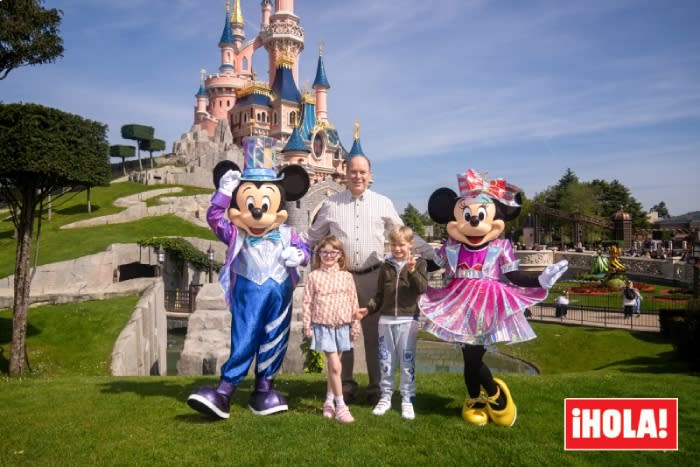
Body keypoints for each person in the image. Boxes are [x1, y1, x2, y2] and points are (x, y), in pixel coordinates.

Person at [303, 153, 436, 406]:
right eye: (353, 171)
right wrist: (286, 247)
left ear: (370, 175)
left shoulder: (382, 202)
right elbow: (311, 236)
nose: (358, 176)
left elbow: (404, 235)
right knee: (343, 332)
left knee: (375, 335)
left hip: (374, 277)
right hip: (341, 280)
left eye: (363, 172)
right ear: (345, 173)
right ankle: (346, 385)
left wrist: (433, 253)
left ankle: (376, 387)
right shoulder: (331, 205)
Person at [358, 225, 428, 420]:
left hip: (408, 319)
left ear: (410, 245)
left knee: (406, 361)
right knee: (386, 361)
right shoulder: (386, 266)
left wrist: (412, 271)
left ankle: (407, 398)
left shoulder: (419, 263)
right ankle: (386, 397)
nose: (397, 249)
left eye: (401, 245)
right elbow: (379, 295)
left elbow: (422, 288)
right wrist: (369, 308)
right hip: (386, 320)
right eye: (393, 244)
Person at [302, 236, 362, 423]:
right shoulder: (313, 277)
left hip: (343, 325)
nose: (328, 255)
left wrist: (355, 324)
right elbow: (307, 302)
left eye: (333, 252)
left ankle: (328, 401)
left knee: (334, 369)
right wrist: (307, 324)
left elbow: (354, 302)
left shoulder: (347, 277)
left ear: (339, 255)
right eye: (324, 252)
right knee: (335, 366)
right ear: (318, 254)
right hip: (323, 326)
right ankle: (341, 407)